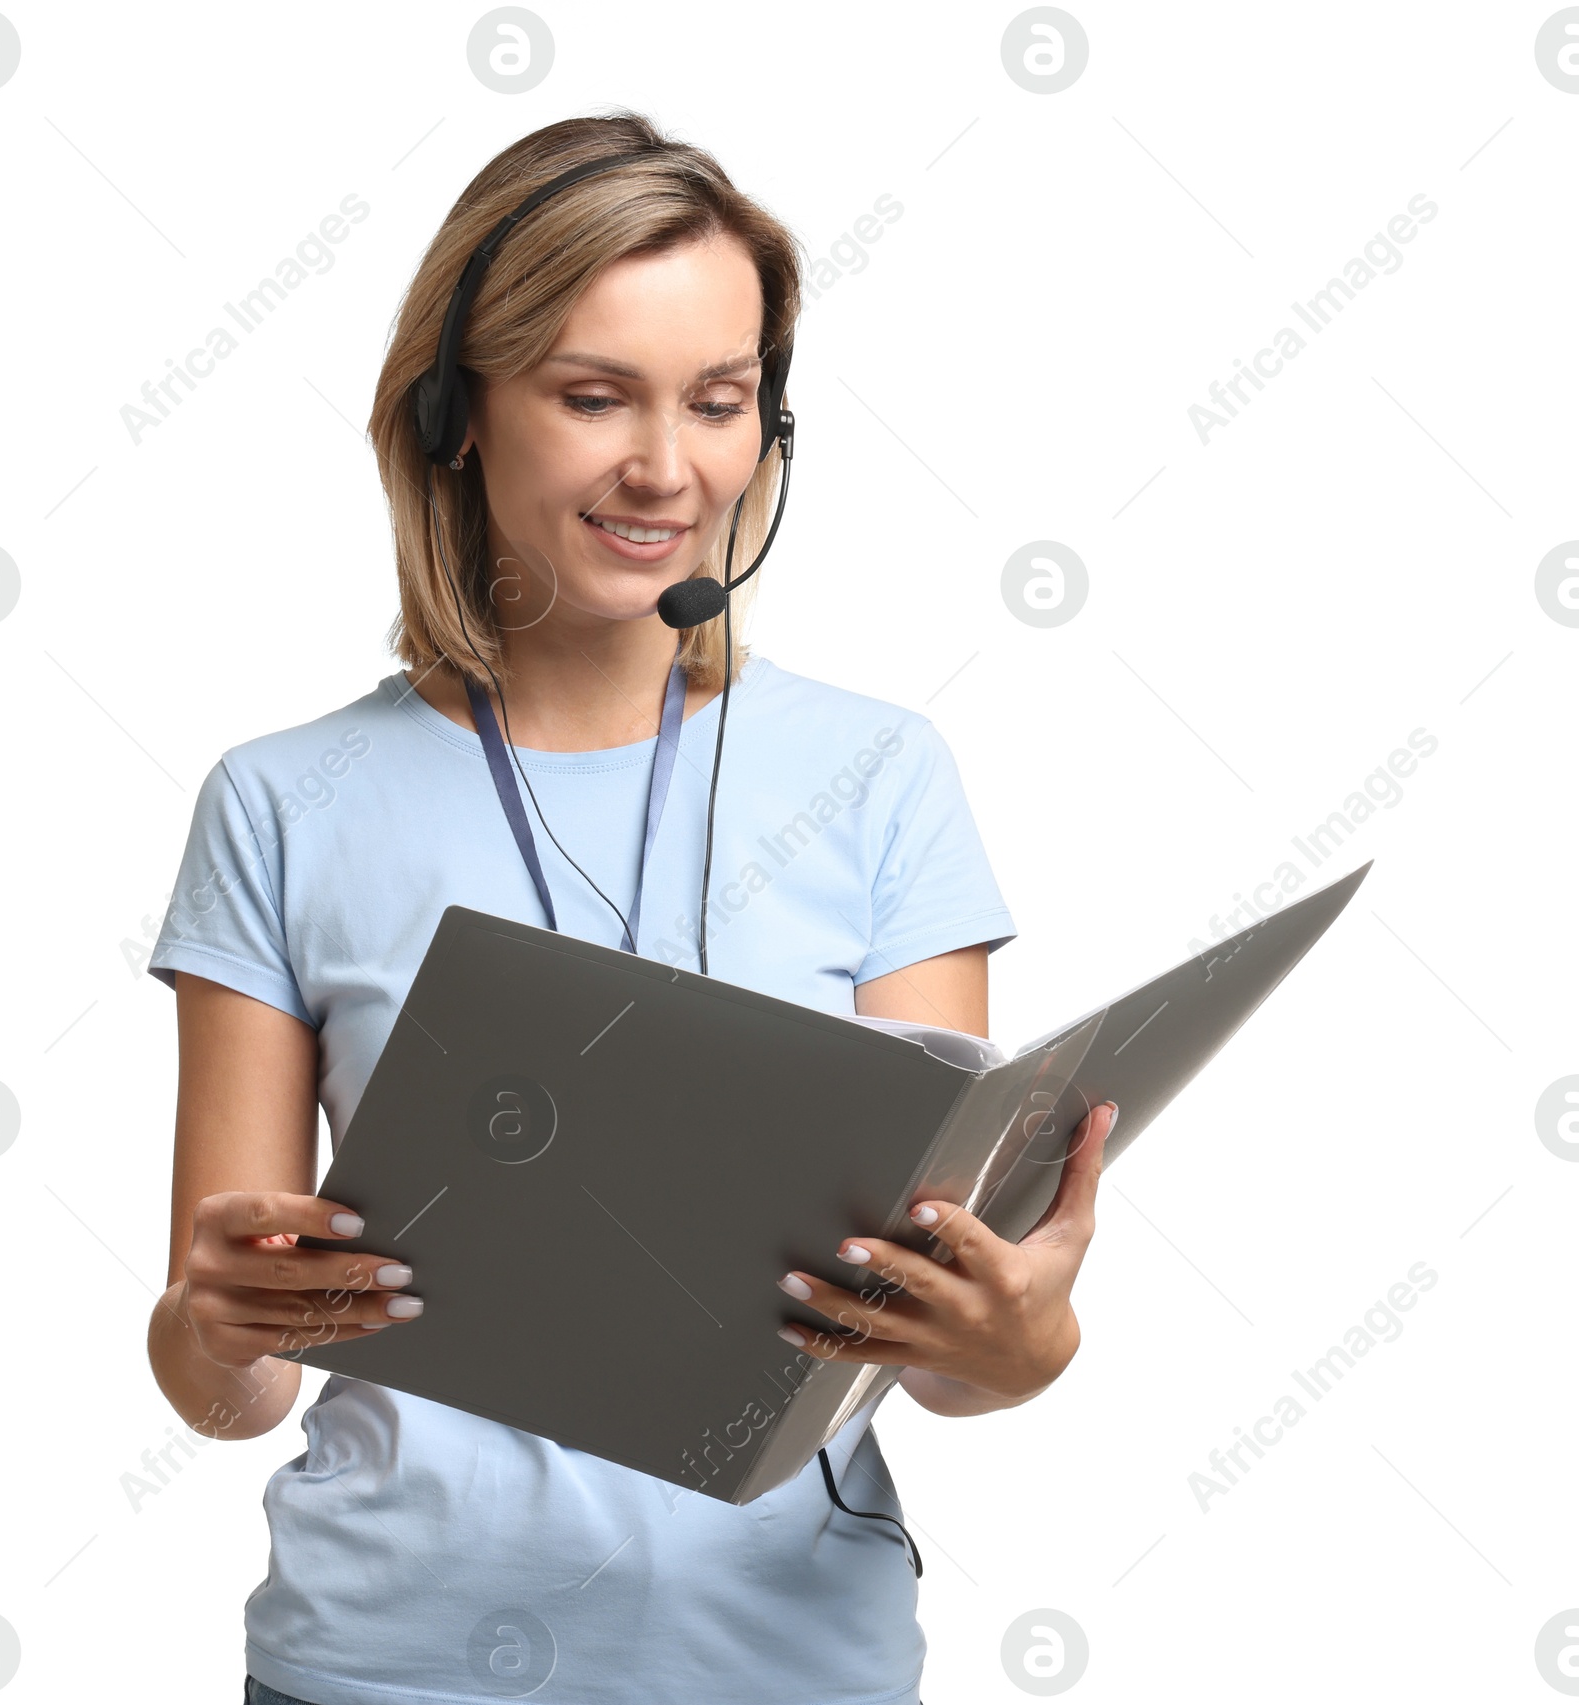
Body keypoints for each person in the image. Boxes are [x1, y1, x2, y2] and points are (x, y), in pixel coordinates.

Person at [145, 109, 1114, 1705]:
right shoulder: (280, 801)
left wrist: (1016, 1342)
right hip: (387, 1669)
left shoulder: (880, 774)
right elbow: (228, 1384)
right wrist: (217, 1315)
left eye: (721, 402)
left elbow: (943, 1345)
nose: (669, 468)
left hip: (793, 1666)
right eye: (595, 397)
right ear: (457, 413)